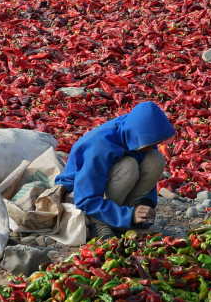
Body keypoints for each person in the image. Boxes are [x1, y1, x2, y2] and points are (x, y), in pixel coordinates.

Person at [55, 101, 175, 240]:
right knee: (128, 166)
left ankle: (125, 219)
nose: (150, 148)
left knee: (155, 159)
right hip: (80, 192)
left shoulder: (138, 132)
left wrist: (144, 204)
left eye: (154, 144)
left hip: (109, 185)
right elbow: (86, 198)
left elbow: (148, 168)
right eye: (150, 144)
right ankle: (99, 222)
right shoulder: (100, 147)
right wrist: (128, 215)